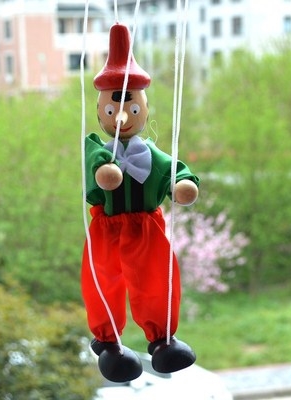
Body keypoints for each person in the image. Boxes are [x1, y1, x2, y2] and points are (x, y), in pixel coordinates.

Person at [82, 23, 200, 382]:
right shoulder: (97, 149)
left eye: (132, 107)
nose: (121, 116)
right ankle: (109, 342)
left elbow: (176, 171)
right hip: (107, 226)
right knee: (104, 279)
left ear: (144, 108)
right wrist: (104, 171)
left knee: (156, 277)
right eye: (112, 109)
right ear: (101, 110)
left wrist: (182, 184)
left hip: (147, 226)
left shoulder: (152, 155)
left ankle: (163, 340)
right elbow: (95, 166)